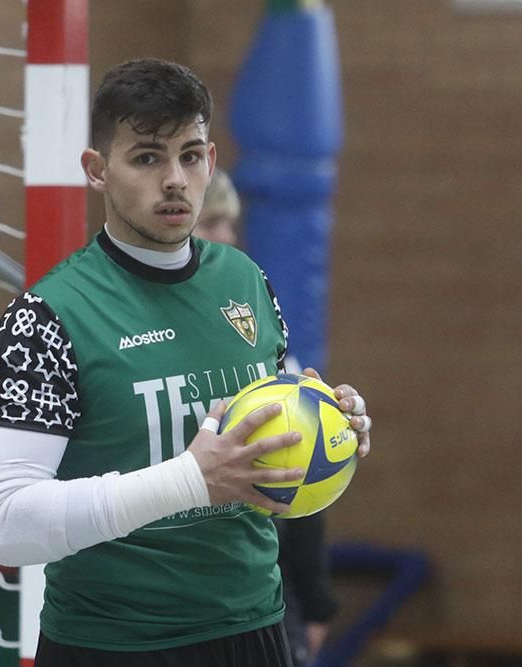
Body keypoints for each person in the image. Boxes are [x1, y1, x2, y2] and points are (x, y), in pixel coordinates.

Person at [0, 58, 372, 666]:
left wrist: (331, 423)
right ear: (97, 170)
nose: (176, 180)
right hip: (111, 644)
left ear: (211, 159)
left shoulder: (246, 279)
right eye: (147, 157)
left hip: (255, 630)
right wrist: (189, 479)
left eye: (190, 156)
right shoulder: (45, 317)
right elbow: (3, 523)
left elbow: (265, 437)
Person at [195, 168, 339, 667]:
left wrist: (314, 598)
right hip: (171, 590)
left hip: (262, 586)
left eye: (230, 225)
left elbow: (304, 479)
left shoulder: (262, 339)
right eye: (212, 222)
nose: (226, 237)